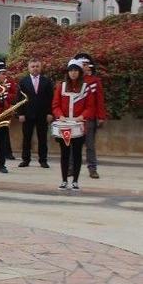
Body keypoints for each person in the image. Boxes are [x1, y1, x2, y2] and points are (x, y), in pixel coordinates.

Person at [52, 59, 92, 190]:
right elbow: (55, 105)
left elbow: (90, 107)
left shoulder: (86, 88)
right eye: (71, 70)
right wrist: (60, 116)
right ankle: (64, 180)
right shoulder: (61, 86)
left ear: (80, 72)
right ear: (68, 72)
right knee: (64, 153)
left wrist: (82, 116)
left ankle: (75, 181)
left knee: (77, 153)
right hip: (65, 125)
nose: (73, 73)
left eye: (76, 70)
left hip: (78, 125)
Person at [16, 57, 54, 169]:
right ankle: (25, 159)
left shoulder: (47, 81)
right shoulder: (23, 82)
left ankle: (43, 160)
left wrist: (50, 113)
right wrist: (20, 114)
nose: (35, 68)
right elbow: (19, 99)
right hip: (27, 114)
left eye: (37, 66)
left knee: (42, 138)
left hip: (42, 114)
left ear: (40, 67)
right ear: (29, 68)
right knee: (26, 138)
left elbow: (50, 98)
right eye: (33, 66)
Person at [75, 53, 106, 179]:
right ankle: (71, 167)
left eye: (86, 64)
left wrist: (101, 116)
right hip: (76, 118)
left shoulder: (95, 81)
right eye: (82, 64)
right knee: (73, 145)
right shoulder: (74, 81)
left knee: (90, 145)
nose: (84, 67)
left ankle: (92, 168)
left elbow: (99, 100)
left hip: (89, 118)